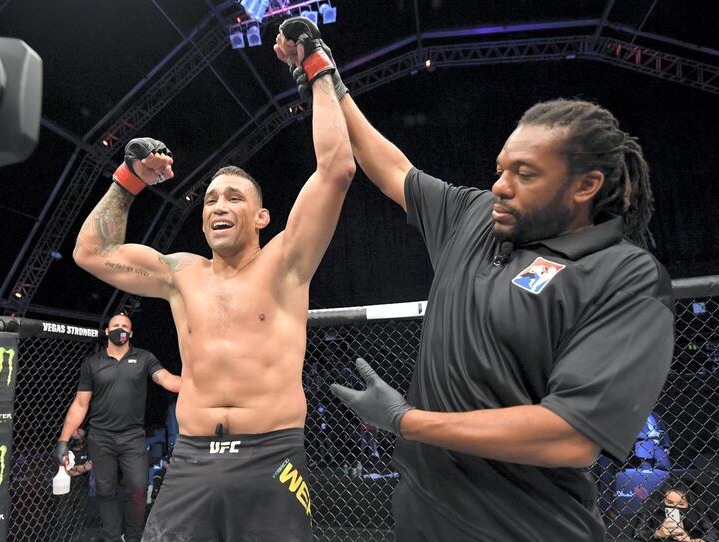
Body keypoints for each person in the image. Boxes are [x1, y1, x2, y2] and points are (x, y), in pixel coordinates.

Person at [277, 23, 676, 541]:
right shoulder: (477, 217)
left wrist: (406, 421)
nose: (500, 186)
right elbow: (391, 167)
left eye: (525, 174)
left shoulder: (627, 276)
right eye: (501, 168)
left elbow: (569, 436)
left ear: (586, 186)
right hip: (422, 523)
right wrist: (321, 70)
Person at [71, 18, 355, 541]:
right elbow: (92, 252)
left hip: (271, 454)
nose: (218, 207)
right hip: (193, 459)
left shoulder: (287, 261)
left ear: (262, 217)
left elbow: (336, 167)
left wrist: (316, 65)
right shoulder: (181, 274)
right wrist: (128, 181)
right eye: (210, 200)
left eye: (234, 198)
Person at [54, 312, 181, 542]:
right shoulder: (92, 363)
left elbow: (167, 380)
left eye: (124, 326)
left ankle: (133, 537)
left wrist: (199, 383)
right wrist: (63, 441)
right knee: (105, 491)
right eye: (115, 325)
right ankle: (113, 538)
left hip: (132, 436)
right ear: (107, 331)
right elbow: (81, 403)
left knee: (138, 489)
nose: (120, 329)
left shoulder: (144, 358)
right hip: (100, 437)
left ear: (131, 333)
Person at [631, 484, 718, 542]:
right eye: (669, 502)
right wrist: (658, 533)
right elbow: (637, 532)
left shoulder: (697, 510)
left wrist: (693, 540)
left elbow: (713, 533)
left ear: (689, 503)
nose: (675, 507)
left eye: (681, 504)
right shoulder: (651, 507)